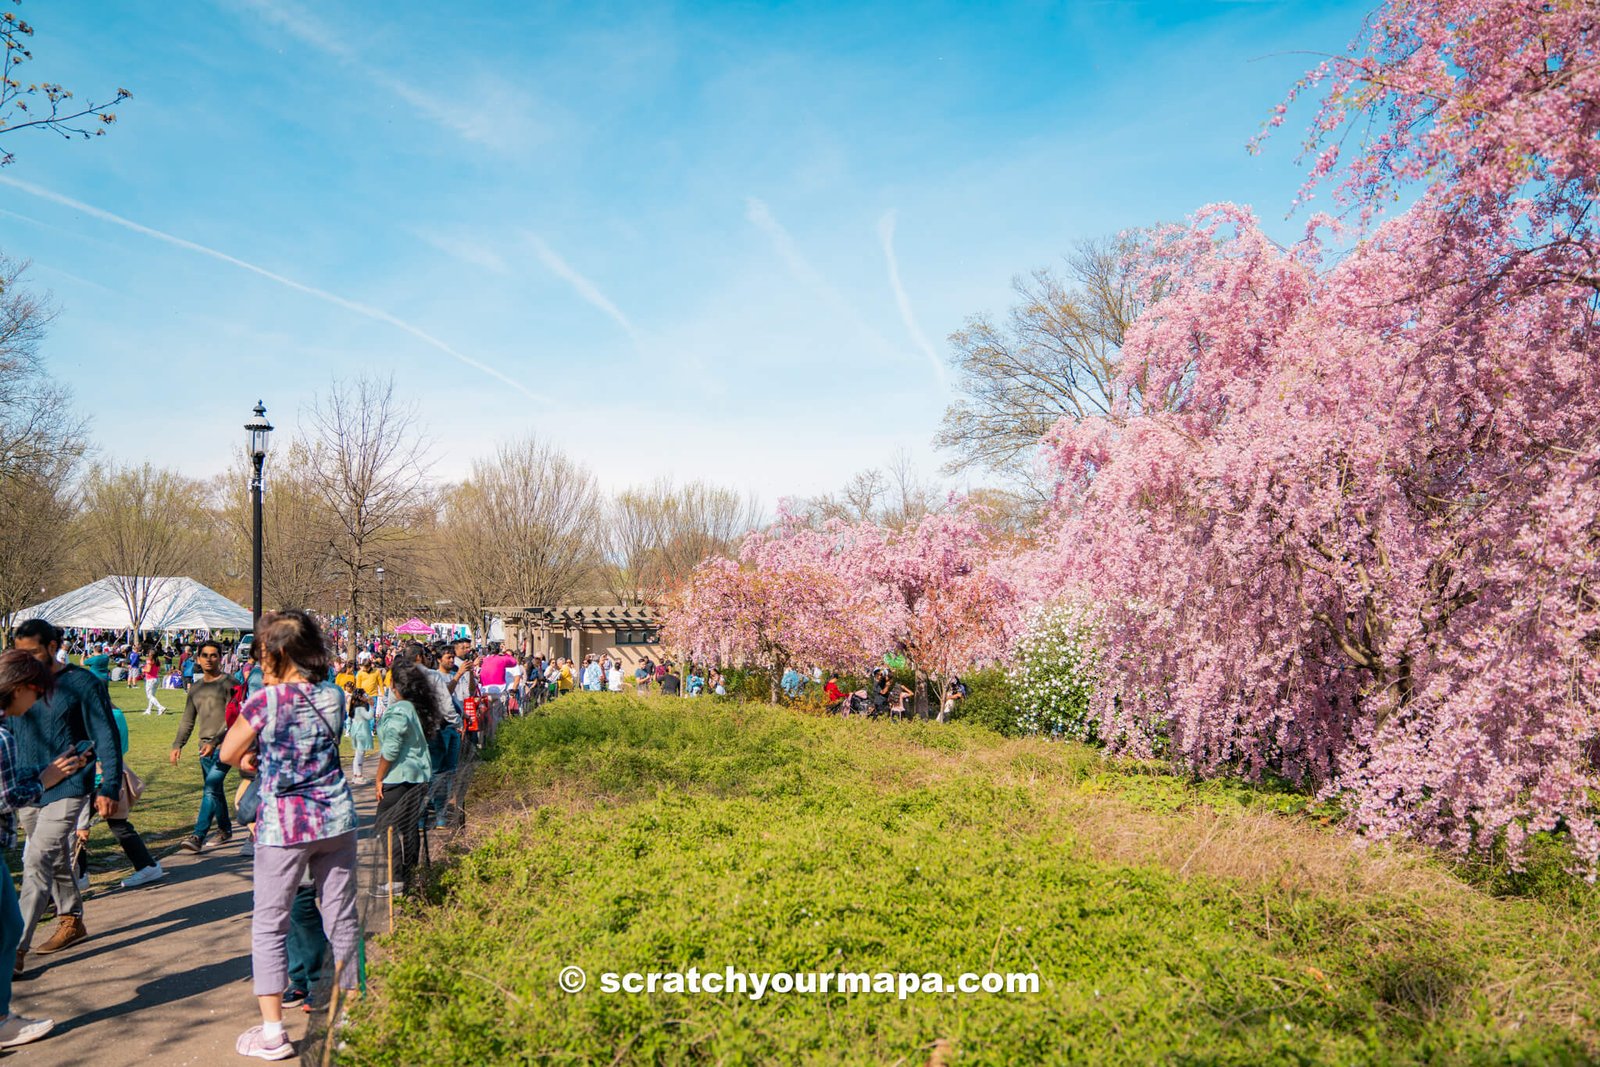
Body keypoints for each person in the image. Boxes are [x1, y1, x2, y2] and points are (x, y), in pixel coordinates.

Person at [219, 610, 358, 1062]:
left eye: (262, 654)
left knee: (269, 923)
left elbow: (228, 752)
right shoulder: (334, 695)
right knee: (342, 917)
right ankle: (350, 1020)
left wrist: (249, 762)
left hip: (286, 824)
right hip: (335, 817)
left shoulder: (265, 701)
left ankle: (273, 1032)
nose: (260, 663)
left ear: (279, 654)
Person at [8, 620, 123, 975]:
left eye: (33, 653)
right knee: (53, 855)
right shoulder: (17, 683)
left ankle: (13, 952)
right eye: (19, 652)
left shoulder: (81, 683)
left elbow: (106, 735)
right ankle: (72, 918)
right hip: (28, 786)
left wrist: (109, 786)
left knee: (37, 858)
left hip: (70, 785)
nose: (25, 660)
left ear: (55, 645)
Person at [0, 649, 90, 1049]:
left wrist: (43, 771)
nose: (38, 699)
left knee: (9, 928)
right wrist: (47, 779)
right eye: (36, 690)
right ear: (17, 688)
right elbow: (7, 797)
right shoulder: (1, 734)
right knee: (7, 929)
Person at [75, 700, 165, 889]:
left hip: (100, 776)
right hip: (111, 775)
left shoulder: (101, 717)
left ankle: (80, 873)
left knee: (79, 825)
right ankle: (146, 865)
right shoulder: (116, 713)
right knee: (117, 823)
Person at [372, 650, 437, 894]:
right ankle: (409, 877)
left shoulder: (400, 710)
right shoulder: (413, 708)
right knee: (409, 828)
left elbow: (390, 749)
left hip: (399, 777)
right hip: (417, 777)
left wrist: (378, 777)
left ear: (395, 685)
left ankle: (397, 878)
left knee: (384, 827)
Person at [172, 640, 235, 852]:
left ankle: (197, 836)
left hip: (226, 746)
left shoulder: (230, 683)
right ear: (198, 659)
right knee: (214, 790)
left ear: (220, 657)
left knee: (210, 788)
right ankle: (225, 830)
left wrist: (216, 741)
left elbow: (235, 718)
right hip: (204, 748)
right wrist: (178, 744)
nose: (209, 659)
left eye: (214, 655)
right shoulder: (196, 688)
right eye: (205, 655)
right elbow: (187, 720)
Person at [142, 647, 165, 714]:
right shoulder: (157, 661)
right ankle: (149, 710)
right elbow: (158, 670)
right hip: (156, 679)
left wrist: (143, 670)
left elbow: (148, 670)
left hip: (150, 680)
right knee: (152, 696)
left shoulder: (149, 661)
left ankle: (160, 707)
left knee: (149, 696)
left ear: (151, 654)